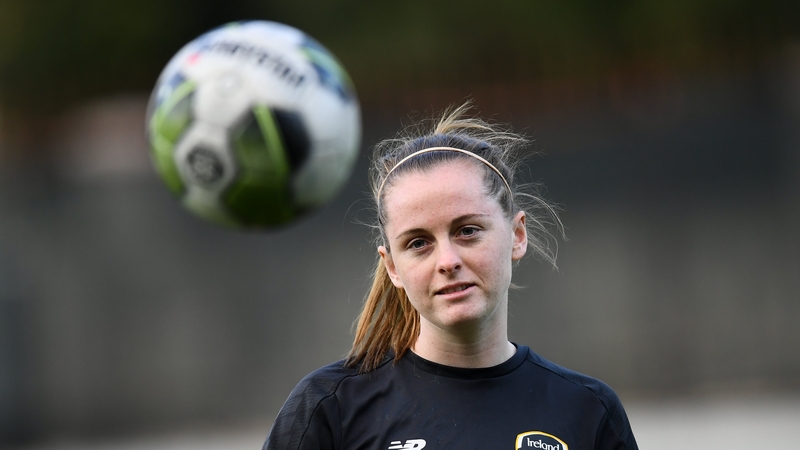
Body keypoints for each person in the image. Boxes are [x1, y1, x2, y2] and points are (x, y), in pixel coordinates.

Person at [263, 104, 639, 450]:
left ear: (516, 235)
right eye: (418, 243)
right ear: (392, 266)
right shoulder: (330, 407)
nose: (447, 260)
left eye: (468, 231)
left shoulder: (588, 410)